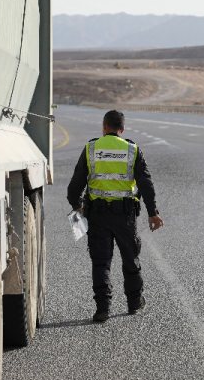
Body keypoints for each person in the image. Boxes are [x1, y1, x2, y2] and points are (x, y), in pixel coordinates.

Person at [67, 109, 163, 323]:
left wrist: (77, 206)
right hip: (125, 216)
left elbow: (74, 186)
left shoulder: (91, 148)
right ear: (122, 129)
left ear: (104, 127)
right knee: (130, 259)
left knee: (101, 262)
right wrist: (153, 213)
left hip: (98, 216)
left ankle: (103, 309)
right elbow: (146, 184)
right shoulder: (132, 149)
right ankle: (134, 303)